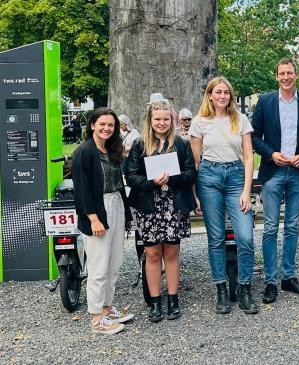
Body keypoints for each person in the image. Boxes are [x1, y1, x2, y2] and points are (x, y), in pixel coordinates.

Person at [252, 58, 299, 304]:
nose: (286, 77)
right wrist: (271, 154)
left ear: (296, 75)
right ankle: (270, 280)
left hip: (298, 171)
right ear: (276, 76)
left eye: (290, 73)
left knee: (292, 226)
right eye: (282, 73)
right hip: (274, 170)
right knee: (270, 228)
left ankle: (288, 277)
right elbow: (254, 137)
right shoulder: (265, 102)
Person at [190, 77, 258, 314]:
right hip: (209, 177)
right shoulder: (199, 122)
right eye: (218, 92)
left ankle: (245, 287)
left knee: (245, 236)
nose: (222, 96)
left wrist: (246, 191)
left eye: (226, 92)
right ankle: (221, 289)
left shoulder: (241, 120)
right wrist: (195, 193)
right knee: (216, 238)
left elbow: (249, 157)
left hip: (237, 176)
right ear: (209, 95)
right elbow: (195, 163)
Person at [126, 95, 196, 322]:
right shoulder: (139, 144)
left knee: (172, 253)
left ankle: (173, 298)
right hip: (149, 205)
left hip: (172, 204)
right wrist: (151, 182)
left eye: (166, 119)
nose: (161, 123)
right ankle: (155, 301)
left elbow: (190, 174)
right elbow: (131, 176)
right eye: (157, 119)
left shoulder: (181, 144)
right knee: (152, 253)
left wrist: (171, 179)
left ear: (172, 120)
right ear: (150, 119)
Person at [72, 107, 134, 335]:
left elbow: (119, 185)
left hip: (116, 203)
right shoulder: (84, 152)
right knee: (98, 266)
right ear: (92, 126)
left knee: (114, 263)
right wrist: (93, 218)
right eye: (102, 124)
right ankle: (97, 318)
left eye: (111, 125)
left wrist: (126, 215)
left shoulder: (112, 150)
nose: (107, 128)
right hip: (97, 209)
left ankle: (107, 308)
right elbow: (82, 190)